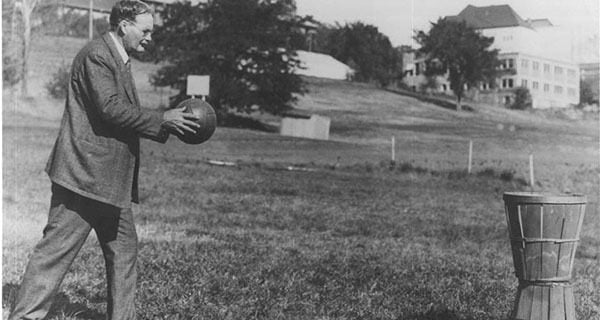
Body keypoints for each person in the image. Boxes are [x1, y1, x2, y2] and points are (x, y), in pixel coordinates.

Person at [8, 1, 199, 319]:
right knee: (55, 253)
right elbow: (110, 108)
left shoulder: (118, 58)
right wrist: (162, 120)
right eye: (146, 30)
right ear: (124, 25)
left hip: (108, 182)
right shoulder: (97, 55)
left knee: (124, 251)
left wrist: (164, 123)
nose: (149, 37)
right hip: (84, 177)